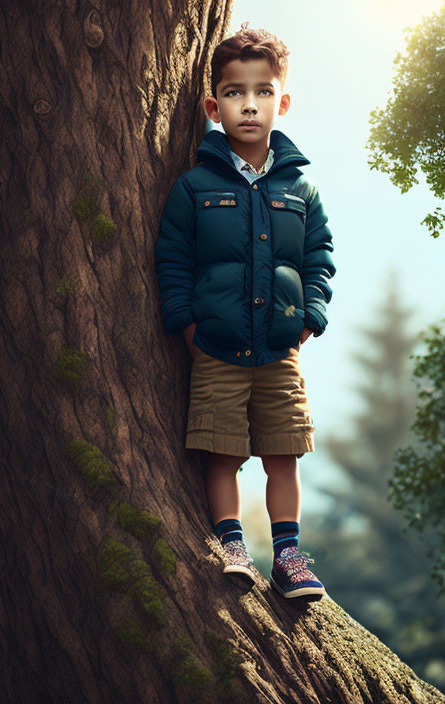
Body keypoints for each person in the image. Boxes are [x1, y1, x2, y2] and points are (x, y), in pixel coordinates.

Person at [154, 22, 336, 599]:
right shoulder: (194, 186)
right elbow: (174, 257)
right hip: (216, 346)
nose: (249, 106)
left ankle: (288, 556)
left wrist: (311, 315)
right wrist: (186, 324)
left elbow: (319, 256)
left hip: (281, 351)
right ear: (214, 105)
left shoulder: (300, 191)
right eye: (235, 93)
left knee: (284, 454)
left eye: (262, 93)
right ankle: (232, 543)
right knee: (224, 452)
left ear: (281, 101)